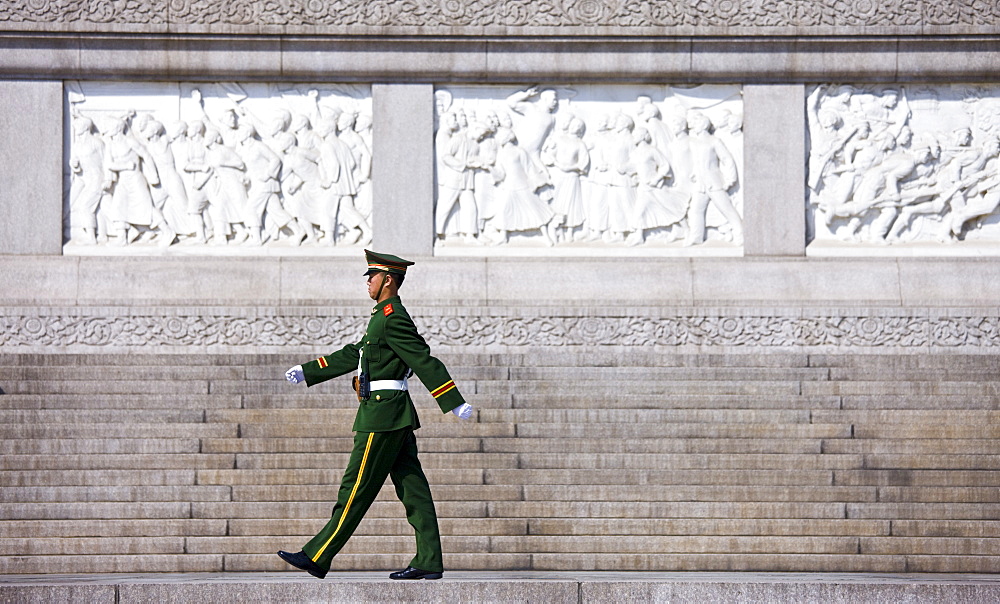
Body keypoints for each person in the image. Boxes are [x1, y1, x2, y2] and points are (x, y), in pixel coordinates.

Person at [277, 249, 474, 581]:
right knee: (413, 489)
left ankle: (317, 555)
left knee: (355, 488)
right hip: (390, 413)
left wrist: (452, 399)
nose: (368, 281)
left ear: (388, 279)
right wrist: (310, 371)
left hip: (383, 415)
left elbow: (421, 357)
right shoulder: (380, 316)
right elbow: (356, 352)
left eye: (372, 276)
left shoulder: (392, 316)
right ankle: (428, 560)